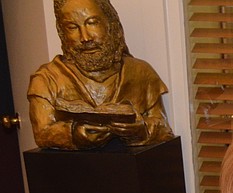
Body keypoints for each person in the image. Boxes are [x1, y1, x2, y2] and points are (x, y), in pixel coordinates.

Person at [28, 0, 173, 150]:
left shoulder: (141, 73)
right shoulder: (46, 79)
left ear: (110, 24)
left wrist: (141, 130)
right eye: (72, 27)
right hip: (73, 169)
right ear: (62, 33)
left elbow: (163, 129)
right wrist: (72, 134)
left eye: (92, 23)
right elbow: (42, 133)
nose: (85, 37)